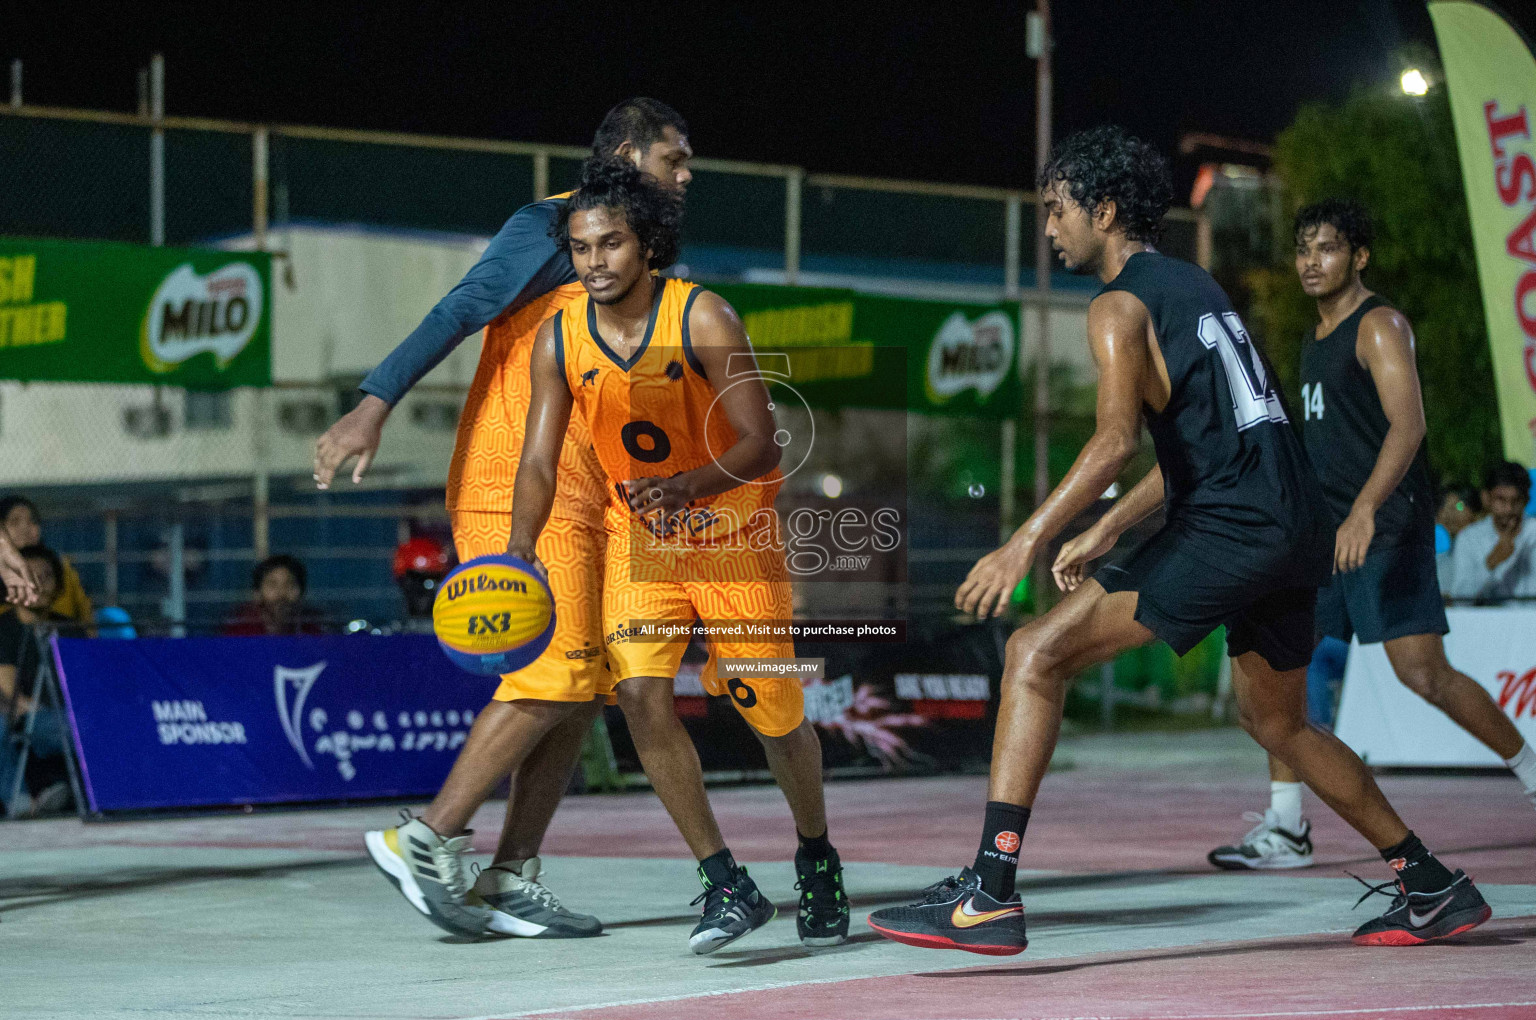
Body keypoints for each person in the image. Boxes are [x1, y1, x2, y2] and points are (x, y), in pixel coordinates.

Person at [867, 127, 1490, 955]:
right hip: (1289, 525)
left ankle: (988, 888)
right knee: (1280, 726)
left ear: (1106, 209)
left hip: (1233, 528)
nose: (1048, 230)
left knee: (1033, 653)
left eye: (1056, 212)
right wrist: (1110, 524)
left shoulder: (1116, 307)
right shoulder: (1195, 288)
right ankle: (1430, 882)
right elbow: (1200, 445)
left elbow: (1113, 442)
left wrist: (1023, 541)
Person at [339, 99, 695, 941]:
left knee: (583, 688)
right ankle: (424, 836)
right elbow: (458, 310)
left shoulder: (642, 262)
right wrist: (373, 402)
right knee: (554, 674)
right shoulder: (550, 230)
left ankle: (509, 875)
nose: (686, 176)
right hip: (515, 487)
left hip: (591, 493)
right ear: (626, 154)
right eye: (674, 159)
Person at [507, 157, 849, 953]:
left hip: (732, 537)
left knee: (775, 719)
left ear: (648, 245)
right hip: (643, 542)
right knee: (639, 696)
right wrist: (519, 551)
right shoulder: (559, 337)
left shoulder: (703, 318)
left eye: (612, 244)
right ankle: (724, 881)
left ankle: (816, 852)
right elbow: (536, 460)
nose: (595, 261)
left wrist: (688, 486)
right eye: (583, 247)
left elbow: (765, 441)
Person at [1207, 201, 1536, 871]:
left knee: (1425, 675)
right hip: (1325, 537)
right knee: (1279, 668)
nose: (1310, 261)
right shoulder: (1314, 338)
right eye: (1303, 249)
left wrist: (1362, 510)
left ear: (1359, 257)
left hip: (1385, 527)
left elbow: (1408, 427)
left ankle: (1532, 770)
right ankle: (1286, 825)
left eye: (1326, 248)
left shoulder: (1378, 326)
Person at [0, 545, 78, 816]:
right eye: (30, 576)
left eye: (46, 577)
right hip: (33, 715)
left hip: (71, 712)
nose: (39, 585)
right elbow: (9, 691)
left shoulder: (70, 628)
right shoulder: (5, 629)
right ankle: (24, 802)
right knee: (74, 729)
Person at [1445, 461, 1536, 601]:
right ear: (1486, 498)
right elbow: (1460, 599)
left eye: (1515, 501)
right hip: (1488, 621)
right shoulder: (1470, 538)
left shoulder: (1533, 533)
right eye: (1501, 500)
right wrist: (1491, 562)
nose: (1508, 509)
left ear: (1526, 500)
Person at [0, 496, 92, 627]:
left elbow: (84, 614)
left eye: (32, 521)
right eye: (15, 522)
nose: (25, 528)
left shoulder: (61, 567)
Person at [222, 555, 328, 636]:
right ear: (257, 593)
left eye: (290, 585)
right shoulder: (240, 632)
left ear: (302, 592)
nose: (282, 593)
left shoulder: (314, 630)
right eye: (272, 585)